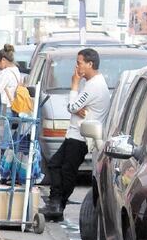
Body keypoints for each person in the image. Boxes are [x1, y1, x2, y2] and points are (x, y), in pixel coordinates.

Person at [42, 48, 110, 221]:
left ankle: (58, 204)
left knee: (66, 171)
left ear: (90, 64)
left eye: (79, 63)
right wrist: (75, 107)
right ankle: (56, 203)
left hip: (80, 136)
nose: (77, 67)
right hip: (74, 133)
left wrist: (74, 84)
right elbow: (74, 107)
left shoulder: (94, 86)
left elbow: (72, 107)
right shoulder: (93, 84)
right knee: (56, 165)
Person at [0, 44, 22, 112]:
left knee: (0, 122)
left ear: (3, 60)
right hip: (12, 106)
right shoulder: (16, 70)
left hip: (3, 107)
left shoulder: (6, 73)